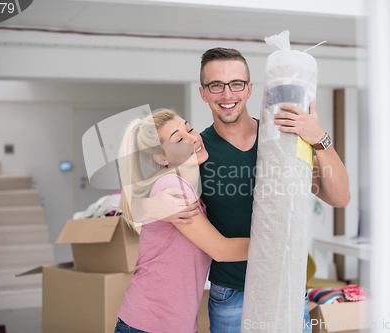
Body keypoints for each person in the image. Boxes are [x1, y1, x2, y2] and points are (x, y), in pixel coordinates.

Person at [139, 48, 351, 333]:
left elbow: (339, 197)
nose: (227, 95)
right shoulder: (194, 151)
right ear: (203, 93)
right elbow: (144, 193)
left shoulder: (280, 139)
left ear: (250, 89)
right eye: (216, 85)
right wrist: (148, 206)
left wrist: (319, 138)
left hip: (286, 287)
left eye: (236, 84)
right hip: (231, 295)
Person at [115, 109, 251, 333]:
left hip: (173, 324)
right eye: (179, 139)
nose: (193, 139)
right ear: (162, 158)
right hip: (149, 323)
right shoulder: (172, 188)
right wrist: (277, 245)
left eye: (189, 129)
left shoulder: (190, 190)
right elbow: (221, 250)